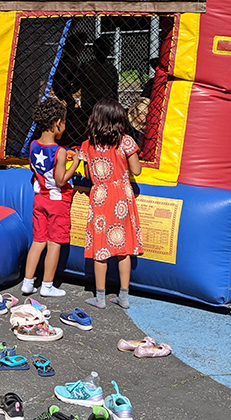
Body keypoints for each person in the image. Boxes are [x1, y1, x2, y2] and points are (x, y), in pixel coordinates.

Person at [79, 98, 143, 310]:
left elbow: (89, 175)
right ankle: (123, 296)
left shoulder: (87, 145)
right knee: (123, 247)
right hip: (122, 195)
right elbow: (136, 170)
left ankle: (100, 297)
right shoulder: (126, 141)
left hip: (100, 196)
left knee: (101, 248)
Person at [21, 97, 80, 298]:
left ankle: (27, 283)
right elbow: (61, 180)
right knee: (55, 243)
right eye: (64, 122)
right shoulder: (60, 151)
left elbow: (36, 168)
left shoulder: (33, 146)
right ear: (57, 123)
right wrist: (75, 163)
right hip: (57, 202)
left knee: (38, 241)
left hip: (40, 200)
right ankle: (47, 285)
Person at [79, 35, 119, 116]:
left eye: (106, 49)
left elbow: (115, 90)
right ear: (94, 50)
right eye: (101, 49)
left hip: (106, 108)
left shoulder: (112, 69)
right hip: (89, 107)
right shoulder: (86, 66)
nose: (103, 52)